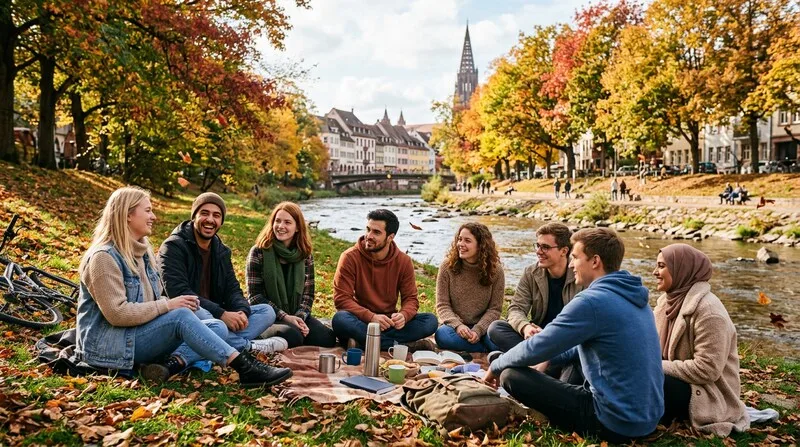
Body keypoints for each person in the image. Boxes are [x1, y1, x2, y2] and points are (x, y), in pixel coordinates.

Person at [76, 187, 291, 387]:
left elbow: (231, 288)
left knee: (216, 327)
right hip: (109, 347)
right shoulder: (104, 258)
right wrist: (168, 306)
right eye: (148, 211)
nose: (154, 216)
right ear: (127, 215)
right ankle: (245, 366)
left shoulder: (142, 253)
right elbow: (117, 314)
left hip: (137, 334)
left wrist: (239, 311)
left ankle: (178, 360)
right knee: (184, 315)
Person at [485, 228, 663, 443]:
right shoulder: (635, 297)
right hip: (648, 418)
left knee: (510, 374)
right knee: (504, 358)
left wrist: (496, 367)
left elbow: (539, 346)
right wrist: (548, 358)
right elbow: (574, 346)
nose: (571, 264)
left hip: (614, 422)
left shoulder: (592, 301)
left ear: (595, 261)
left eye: (576, 257)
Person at [157, 193, 286, 377]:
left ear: (221, 221)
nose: (210, 220)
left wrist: (241, 311)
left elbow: (232, 289)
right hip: (186, 313)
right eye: (204, 213)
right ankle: (247, 346)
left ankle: (209, 346)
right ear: (194, 216)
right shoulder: (173, 247)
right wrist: (222, 314)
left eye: (216, 215)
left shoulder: (221, 250)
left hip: (217, 313)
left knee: (267, 311)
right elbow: (178, 292)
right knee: (215, 323)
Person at [653, 244, 749, 435]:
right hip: (679, 380)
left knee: (649, 381)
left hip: (706, 393)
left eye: (661, 266)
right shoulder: (666, 302)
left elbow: (707, 369)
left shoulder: (709, 312)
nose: (655, 272)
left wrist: (654, 366)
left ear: (682, 269)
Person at [332, 209, 437, 350]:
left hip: (389, 323)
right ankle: (402, 346)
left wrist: (404, 315)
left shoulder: (403, 261)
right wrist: (371, 317)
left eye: (376, 232)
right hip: (361, 321)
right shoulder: (350, 257)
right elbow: (342, 299)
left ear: (390, 237)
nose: (369, 236)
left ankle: (364, 343)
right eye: (368, 229)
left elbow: (411, 299)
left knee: (430, 321)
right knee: (340, 319)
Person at [246, 202, 336, 348]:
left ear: (298, 227)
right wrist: (285, 317)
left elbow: (308, 295)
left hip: (295, 313)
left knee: (327, 339)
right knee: (294, 336)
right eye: (277, 221)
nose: (280, 226)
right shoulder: (259, 252)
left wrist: (299, 318)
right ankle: (258, 340)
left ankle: (289, 334)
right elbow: (255, 297)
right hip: (268, 316)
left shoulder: (305, 255)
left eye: (287, 222)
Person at [487, 223, 580, 353]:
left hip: (566, 339)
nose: (538, 251)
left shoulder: (580, 273)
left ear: (564, 251)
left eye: (545, 247)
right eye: (538, 245)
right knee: (496, 328)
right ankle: (543, 358)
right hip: (537, 337)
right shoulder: (531, 272)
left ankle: (533, 357)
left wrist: (552, 334)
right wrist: (525, 327)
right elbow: (516, 308)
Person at [435, 223, 503, 353]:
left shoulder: (496, 270)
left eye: (467, 240)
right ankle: (483, 349)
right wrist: (458, 326)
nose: (460, 244)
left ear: (481, 245)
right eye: (459, 239)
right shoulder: (447, 267)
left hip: (483, 326)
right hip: (455, 327)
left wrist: (478, 330)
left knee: (498, 337)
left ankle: (479, 346)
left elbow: (495, 309)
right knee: (442, 335)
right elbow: (442, 305)